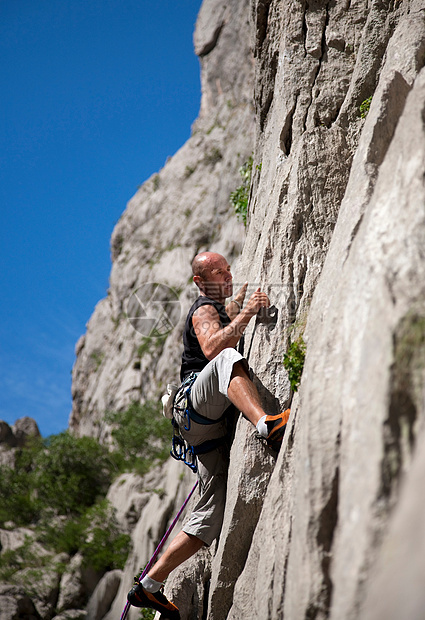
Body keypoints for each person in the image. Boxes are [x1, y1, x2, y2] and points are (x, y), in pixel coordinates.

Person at [128, 252, 290, 619]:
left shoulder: (216, 307)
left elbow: (226, 312)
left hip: (205, 433)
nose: (227, 275)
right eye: (218, 272)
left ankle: (150, 585)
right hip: (194, 408)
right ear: (200, 282)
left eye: (228, 269)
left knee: (210, 515)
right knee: (224, 358)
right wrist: (248, 312)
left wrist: (238, 304)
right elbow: (213, 347)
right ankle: (267, 423)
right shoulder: (202, 307)